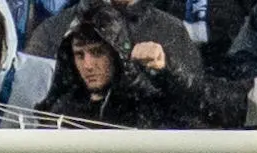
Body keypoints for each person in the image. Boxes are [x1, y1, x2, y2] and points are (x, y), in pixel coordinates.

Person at [36, 5, 183, 124]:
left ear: (116, 54)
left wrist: (166, 71)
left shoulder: (145, 107)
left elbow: (190, 107)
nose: (88, 65)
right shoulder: (62, 111)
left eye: (97, 52)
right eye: (79, 55)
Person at [27, 0, 202, 76]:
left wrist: (166, 70)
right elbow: (31, 97)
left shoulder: (170, 30)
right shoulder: (54, 29)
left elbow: (196, 102)